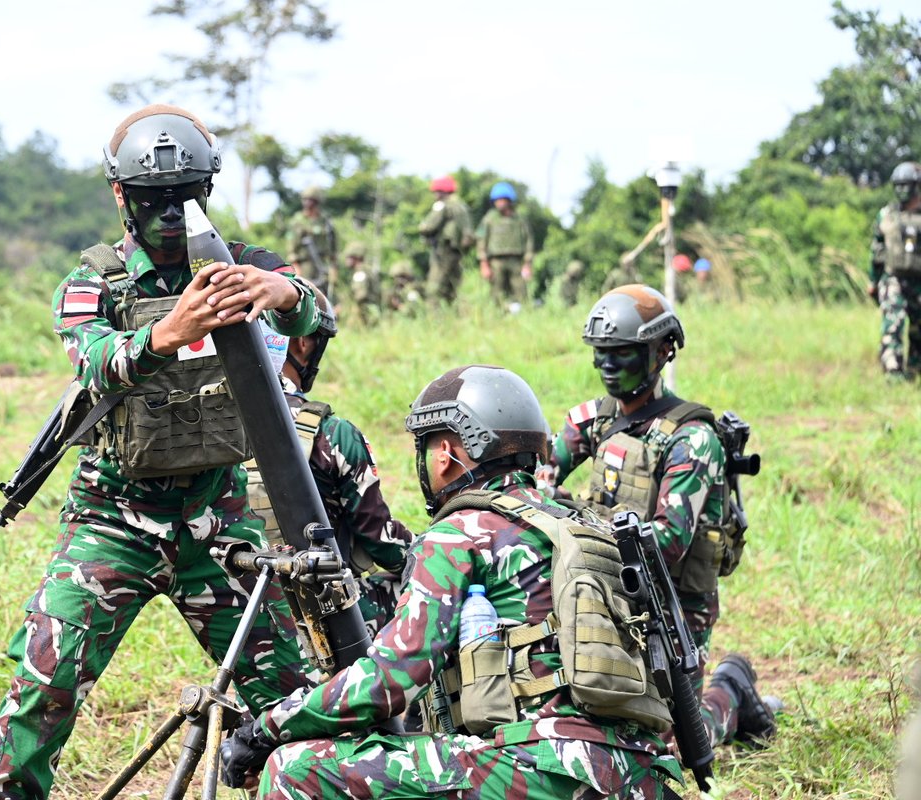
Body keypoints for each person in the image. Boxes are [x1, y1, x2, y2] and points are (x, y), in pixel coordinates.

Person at [0, 104, 320, 800]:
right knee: (45, 678)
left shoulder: (240, 267)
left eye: (186, 197)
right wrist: (169, 332)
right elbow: (95, 363)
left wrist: (282, 291)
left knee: (296, 697)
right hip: (113, 524)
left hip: (218, 526)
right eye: (152, 200)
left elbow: (316, 311)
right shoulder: (91, 283)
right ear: (119, 196)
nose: (171, 215)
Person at [223, 364, 684, 799]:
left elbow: (391, 679)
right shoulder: (583, 525)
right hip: (640, 774)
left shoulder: (458, 533)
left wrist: (268, 726)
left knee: (294, 766)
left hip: (545, 769)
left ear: (446, 453)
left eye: (425, 447)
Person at [535, 284, 778, 752]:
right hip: (602, 587)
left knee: (671, 746)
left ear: (662, 351)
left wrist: (571, 514)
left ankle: (731, 690)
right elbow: (537, 479)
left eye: (623, 353)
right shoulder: (595, 419)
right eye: (600, 353)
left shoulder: (691, 440)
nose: (608, 365)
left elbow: (664, 545)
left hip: (673, 607)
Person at [244, 286, 413, 637]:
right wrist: (430, 550)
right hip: (325, 610)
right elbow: (382, 541)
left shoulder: (219, 431)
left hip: (246, 616)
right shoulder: (330, 433)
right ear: (303, 342)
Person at [869, 161, 921, 380]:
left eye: (906, 185)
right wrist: (873, 281)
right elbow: (876, 251)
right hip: (894, 279)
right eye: (898, 185)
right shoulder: (887, 215)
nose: (902, 190)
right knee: (893, 324)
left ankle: (915, 370)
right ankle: (893, 372)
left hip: (919, 280)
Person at [475, 181, 534, 312]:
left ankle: (521, 317)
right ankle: (498, 317)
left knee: (521, 293)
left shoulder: (519, 219)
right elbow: (481, 241)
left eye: (502, 199)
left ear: (509, 201)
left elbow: (528, 241)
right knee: (496, 294)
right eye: (496, 200)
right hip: (496, 261)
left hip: (516, 261)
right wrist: (484, 264)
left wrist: (527, 264)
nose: (499, 203)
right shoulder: (489, 219)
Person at [417, 175, 474, 303]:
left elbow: (428, 227)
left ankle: (434, 320)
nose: (434, 195)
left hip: (443, 251)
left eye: (436, 192)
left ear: (442, 192)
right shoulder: (461, 205)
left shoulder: (443, 205)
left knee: (434, 288)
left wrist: (421, 227)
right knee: (452, 288)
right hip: (457, 252)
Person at [286, 185, 339, 295]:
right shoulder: (298, 221)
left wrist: (334, 269)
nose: (307, 203)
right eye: (305, 199)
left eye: (310, 200)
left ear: (317, 202)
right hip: (305, 266)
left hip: (323, 265)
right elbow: (291, 249)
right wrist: (297, 270)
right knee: (307, 295)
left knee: (326, 297)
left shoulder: (325, 220)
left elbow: (333, 248)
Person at [343, 241, 381, 325]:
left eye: (348, 257)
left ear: (356, 257)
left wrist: (344, 307)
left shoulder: (360, 272)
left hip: (365, 316)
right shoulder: (367, 270)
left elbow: (360, 295)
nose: (346, 260)